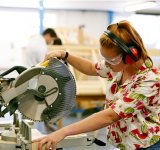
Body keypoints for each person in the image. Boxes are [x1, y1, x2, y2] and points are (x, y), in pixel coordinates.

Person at [33, 20, 160, 150]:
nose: (107, 64)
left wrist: (63, 132)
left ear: (130, 56)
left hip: (148, 145)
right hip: (126, 144)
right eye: (105, 59)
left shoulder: (150, 81)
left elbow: (110, 116)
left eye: (111, 60)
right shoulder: (118, 66)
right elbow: (91, 68)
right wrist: (65, 55)